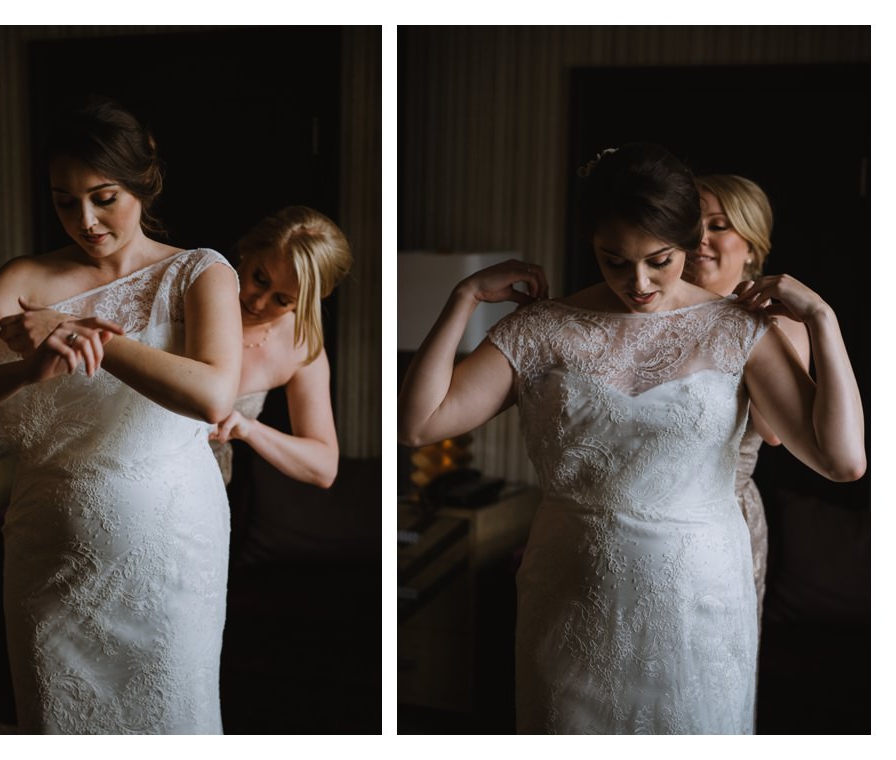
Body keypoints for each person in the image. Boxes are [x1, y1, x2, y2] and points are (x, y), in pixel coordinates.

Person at [397, 143, 864, 734]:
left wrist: (824, 318)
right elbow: (419, 424)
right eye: (613, 261)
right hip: (567, 592)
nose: (637, 283)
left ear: (691, 241)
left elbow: (843, 461)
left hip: (700, 599)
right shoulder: (543, 328)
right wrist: (462, 300)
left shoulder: (739, 330)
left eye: (659, 260)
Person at [0, 98, 241, 734]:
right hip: (48, 542)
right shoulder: (24, 277)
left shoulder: (197, 273)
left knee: (170, 713)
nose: (86, 220)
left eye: (103, 197)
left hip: (170, 543)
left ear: (143, 185)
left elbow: (212, 396)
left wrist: (88, 333)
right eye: (65, 201)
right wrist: (26, 368)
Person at [685, 174, 811, 622]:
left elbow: (776, 432)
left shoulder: (780, 323)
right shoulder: (653, 310)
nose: (701, 238)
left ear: (752, 247)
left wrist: (752, 332)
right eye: (692, 225)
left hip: (723, 517)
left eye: (719, 226)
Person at [206, 206, 352, 488]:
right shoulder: (193, 289)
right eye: (260, 279)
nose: (258, 303)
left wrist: (250, 429)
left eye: (282, 300)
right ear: (248, 250)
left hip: (202, 482)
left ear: (306, 301)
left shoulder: (300, 346)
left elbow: (324, 468)